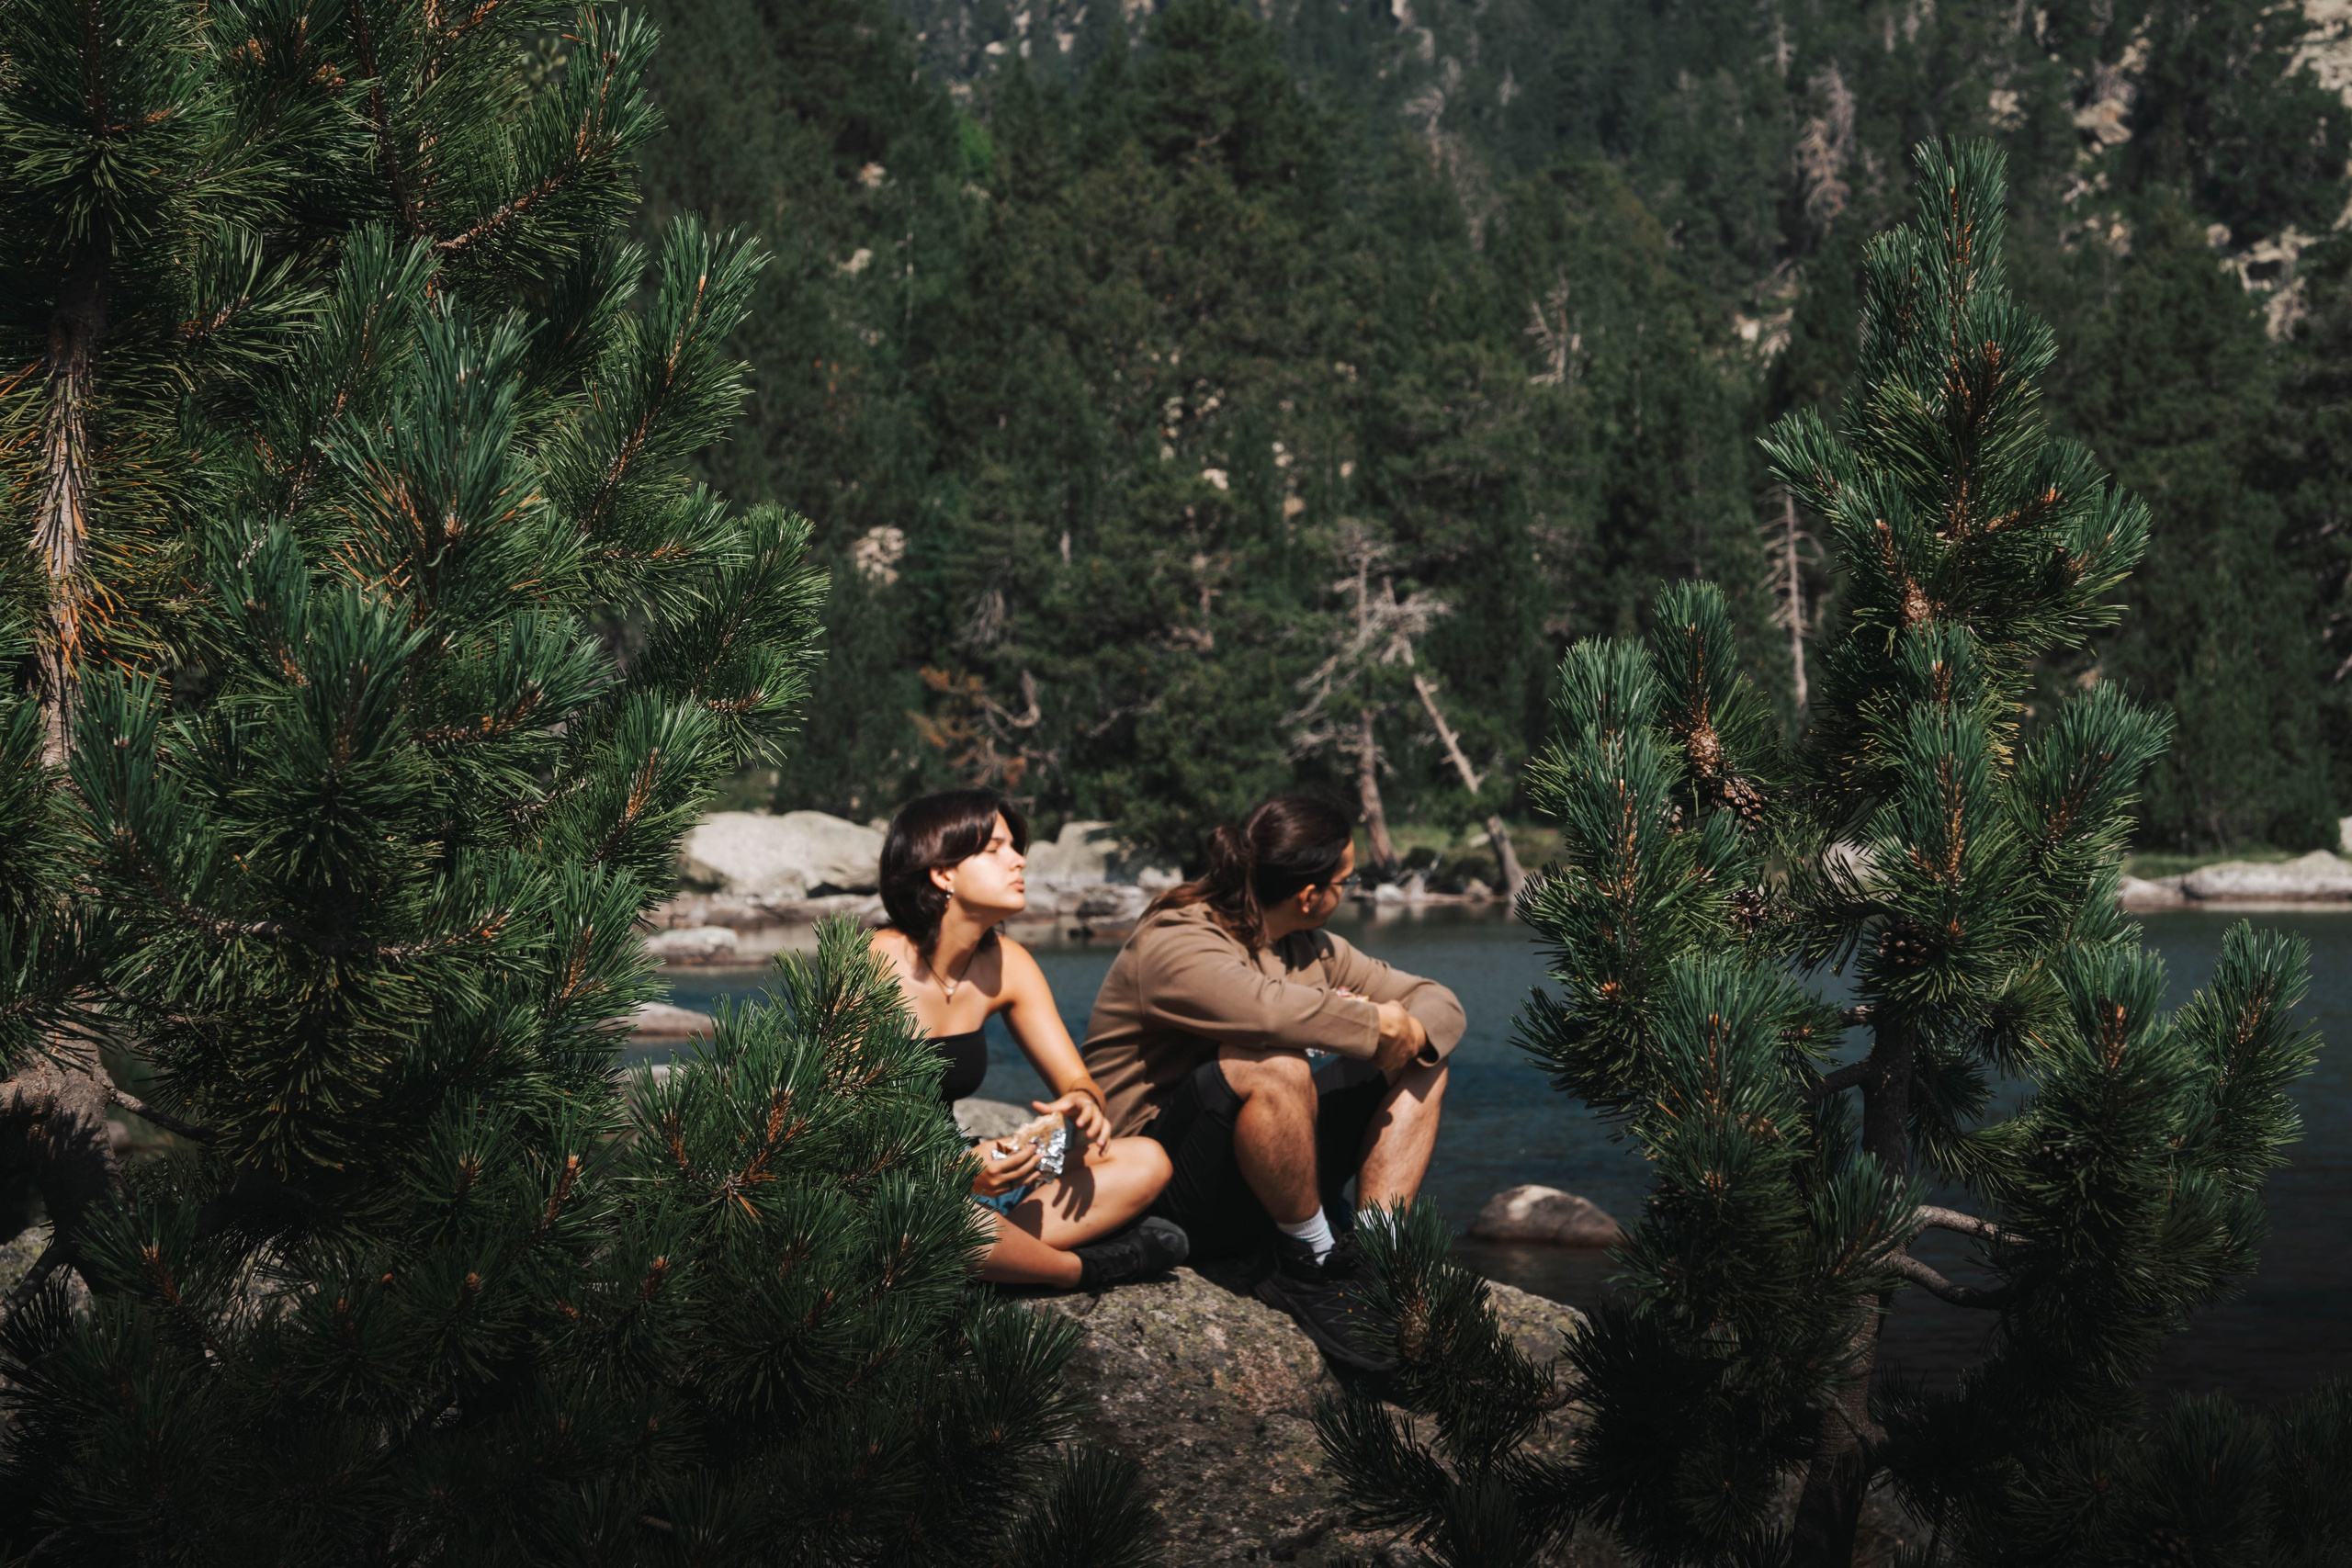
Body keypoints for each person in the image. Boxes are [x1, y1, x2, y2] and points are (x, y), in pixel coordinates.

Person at [1080, 795, 1463, 1371]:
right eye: (1347, 881)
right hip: (1160, 1180)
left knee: (1424, 1059)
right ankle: (1306, 1258)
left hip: (1251, 1164)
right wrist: (1367, 1020)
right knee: (1273, 1062)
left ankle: (1373, 1253)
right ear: (1311, 895)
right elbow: (1261, 1011)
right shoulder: (1177, 938)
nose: (1349, 891)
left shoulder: (1308, 947)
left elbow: (1439, 1002)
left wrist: (1405, 1029)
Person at [871, 789, 1188, 1290]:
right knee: (949, 1222)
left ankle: (1002, 1256)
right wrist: (953, 1173)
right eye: (995, 849)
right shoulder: (870, 966)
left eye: (1015, 847)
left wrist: (1082, 1103)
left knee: (1147, 1159)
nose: (1019, 860)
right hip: (893, 1182)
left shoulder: (1007, 963)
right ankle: (1074, 1269)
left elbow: (1078, 1080)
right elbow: (835, 1129)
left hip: (973, 1168)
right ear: (942, 873)